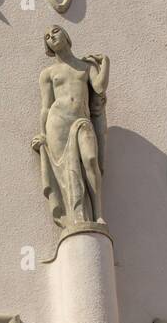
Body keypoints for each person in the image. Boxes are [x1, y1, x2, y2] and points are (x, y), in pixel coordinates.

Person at [32, 26, 109, 227]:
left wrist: (105, 63)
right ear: (47, 45)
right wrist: (42, 134)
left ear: (66, 35)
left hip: (81, 120)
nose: (51, 37)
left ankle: (98, 214)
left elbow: (99, 88)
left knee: (91, 160)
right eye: (47, 36)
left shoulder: (84, 67)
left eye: (55, 32)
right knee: (68, 173)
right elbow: (46, 106)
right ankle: (78, 218)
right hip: (57, 124)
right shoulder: (48, 73)